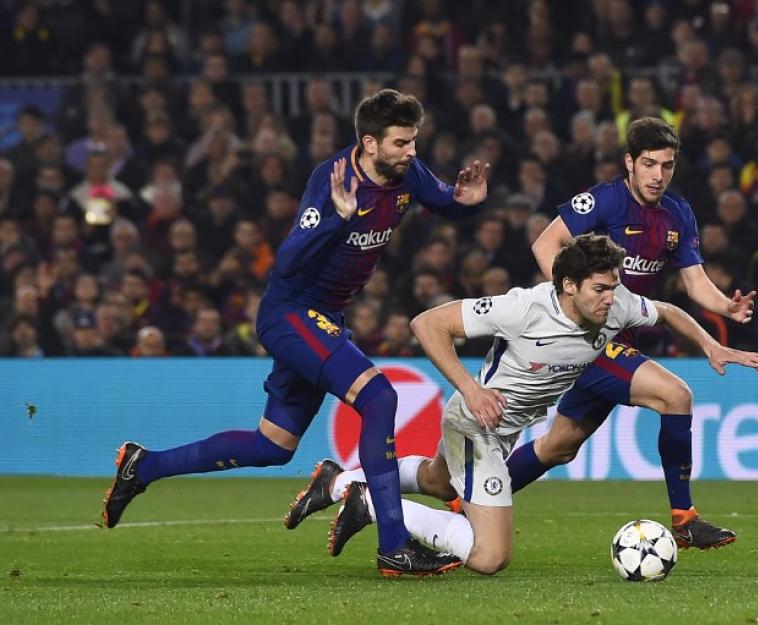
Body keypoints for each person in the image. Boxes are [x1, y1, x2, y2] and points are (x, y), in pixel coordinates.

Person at [101, 89, 491, 576]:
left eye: (413, 141)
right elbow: (287, 260)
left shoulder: (406, 172)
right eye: (400, 143)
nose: (412, 152)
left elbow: (444, 201)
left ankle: (145, 466)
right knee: (379, 399)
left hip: (325, 318)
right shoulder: (333, 181)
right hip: (290, 312)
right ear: (369, 143)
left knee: (273, 445)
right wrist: (338, 219)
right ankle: (394, 545)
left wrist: (466, 202)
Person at [282, 234, 758, 574]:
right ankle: (371, 504)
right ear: (568, 286)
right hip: (477, 424)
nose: (610, 300)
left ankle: (340, 479)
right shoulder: (525, 308)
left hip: (505, 428)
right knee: (490, 556)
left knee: (435, 479)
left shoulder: (616, 305)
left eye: (614, 287)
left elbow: (668, 310)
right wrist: (471, 390)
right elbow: (428, 323)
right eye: (599, 289)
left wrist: (711, 345)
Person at [514, 117, 757, 549]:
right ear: (629, 162)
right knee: (676, 395)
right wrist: (573, 305)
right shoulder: (603, 202)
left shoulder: (677, 213)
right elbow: (544, 245)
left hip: (621, 339)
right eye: (649, 164)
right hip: (585, 339)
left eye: (666, 166)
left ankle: (466, 501)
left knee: (558, 447)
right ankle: (684, 519)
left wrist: (726, 306)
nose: (657, 175)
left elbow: (695, 282)